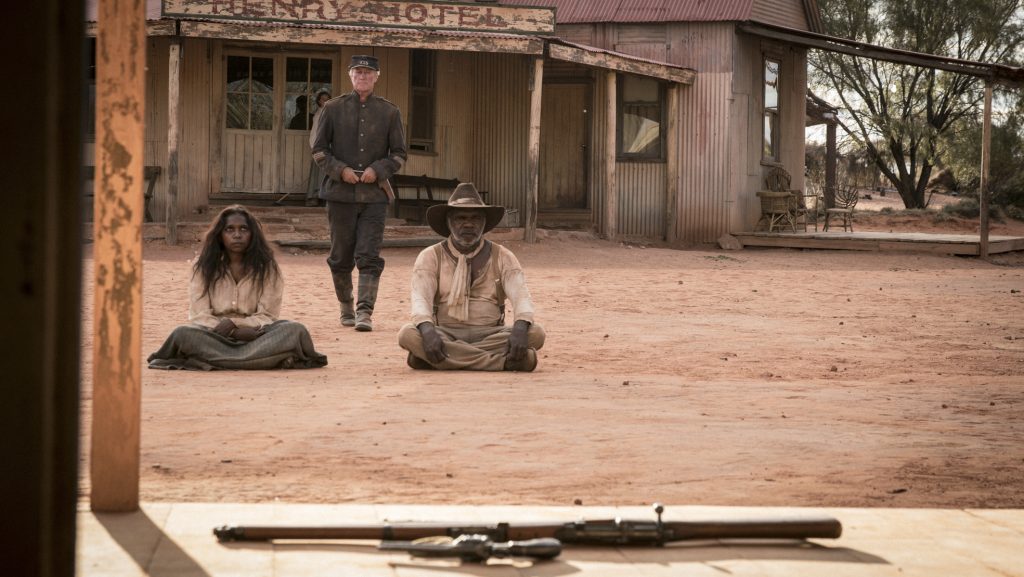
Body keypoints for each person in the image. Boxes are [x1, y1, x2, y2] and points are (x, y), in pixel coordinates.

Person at [148, 205, 328, 371]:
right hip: (214, 336)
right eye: (229, 229)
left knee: (295, 330)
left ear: (253, 234)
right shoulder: (202, 266)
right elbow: (199, 315)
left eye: (243, 229)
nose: (237, 235)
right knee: (183, 333)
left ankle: (208, 360)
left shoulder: (268, 267)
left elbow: (268, 315)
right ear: (220, 234)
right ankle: (266, 360)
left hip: (256, 336)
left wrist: (238, 324)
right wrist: (232, 332)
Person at [398, 183, 545, 371]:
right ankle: (502, 363)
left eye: (476, 218)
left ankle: (435, 359)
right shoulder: (430, 256)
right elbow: (420, 299)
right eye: (460, 218)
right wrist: (427, 332)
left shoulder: (503, 256)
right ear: (449, 222)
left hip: (492, 333)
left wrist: (520, 327)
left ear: (484, 223)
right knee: (407, 334)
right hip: (445, 333)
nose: (468, 224)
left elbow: (521, 296)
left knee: (536, 333)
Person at [311, 54, 407, 332]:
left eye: (368, 72)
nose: (362, 76)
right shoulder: (332, 108)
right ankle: (346, 308)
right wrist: (340, 170)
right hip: (339, 196)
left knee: (369, 255)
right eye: (358, 72)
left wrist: (378, 169)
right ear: (350, 75)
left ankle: (365, 312)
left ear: (376, 77)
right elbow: (319, 151)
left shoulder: (390, 112)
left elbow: (399, 154)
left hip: (374, 197)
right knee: (340, 256)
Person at [305, 89, 332, 207]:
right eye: (323, 99)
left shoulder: (331, 113)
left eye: (327, 99)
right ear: (319, 101)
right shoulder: (319, 114)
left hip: (329, 147)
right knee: (317, 173)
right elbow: (314, 133)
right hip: (319, 147)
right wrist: (315, 148)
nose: (325, 101)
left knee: (328, 172)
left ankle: (325, 197)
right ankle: (313, 197)